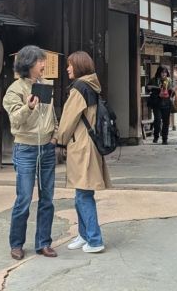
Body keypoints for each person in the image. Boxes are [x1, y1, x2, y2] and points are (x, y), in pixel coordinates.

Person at [3, 45, 58, 260]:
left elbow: (52, 114)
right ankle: (16, 243)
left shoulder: (45, 86)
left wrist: (55, 136)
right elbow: (15, 119)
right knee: (24, 198)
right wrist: (29, 107)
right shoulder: (15, 90)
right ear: (28, 64)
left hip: (47, 148)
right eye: (40, 61)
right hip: (25, 148)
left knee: (48, 198)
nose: (44, 65)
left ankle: (43, 242)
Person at [55, 51, 111, 254]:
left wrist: (58, 140)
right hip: (89, 144)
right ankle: (84, 234)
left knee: (83, 194)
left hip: (82, 146)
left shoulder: (79, 88)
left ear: (78, 66)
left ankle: (94, 239)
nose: (67, 68)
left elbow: (68, 119)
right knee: (81, 193)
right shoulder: (93, 85)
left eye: (70, 65)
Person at [148, 66, 173, 144]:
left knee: (166, 122)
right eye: (162, 72)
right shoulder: (154, 80)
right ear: (159, 73)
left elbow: (172, 91)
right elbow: (147, 87)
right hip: (157, 103)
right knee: (157, 120)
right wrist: (155, 88)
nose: (164, 74)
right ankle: (156, 136)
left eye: (165, 72)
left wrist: (172, 91)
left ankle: (165, 139)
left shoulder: (169, 80)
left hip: (166, 103)